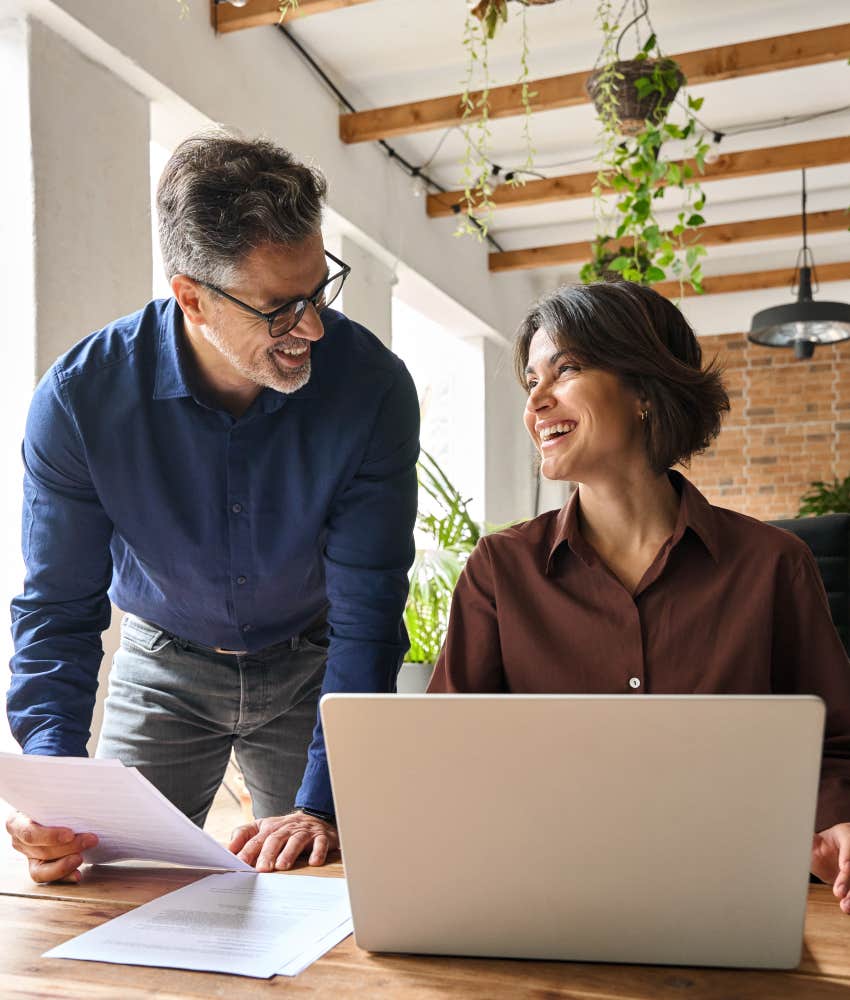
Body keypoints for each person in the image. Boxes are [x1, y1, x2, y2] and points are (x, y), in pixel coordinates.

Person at [6, 130, 419, 883]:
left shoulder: (372, 391)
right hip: (163, 663)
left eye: (319, 288)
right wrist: (52, 785)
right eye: (280, 308)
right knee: (98, 879)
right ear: (191, 296)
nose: (314, 327)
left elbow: (370, 610)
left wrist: (325, 805)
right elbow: (58, 610)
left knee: (336, 888)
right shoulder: (78, 404)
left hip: (314, 665)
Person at [427, 280, 850, 914]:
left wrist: (839, 822)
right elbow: (445, 757)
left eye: (565, 370)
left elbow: (835, 743)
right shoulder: (499, 571)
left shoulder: (772, 567)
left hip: (736, 893)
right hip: (544, 893)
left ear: (646, 391)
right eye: (530, 382)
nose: (536, 402)